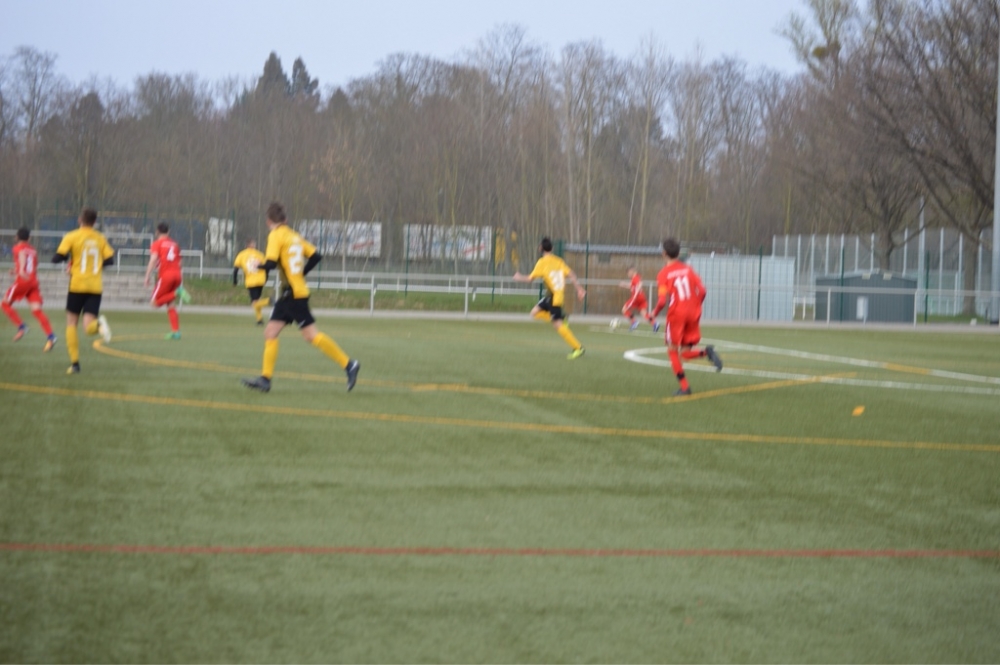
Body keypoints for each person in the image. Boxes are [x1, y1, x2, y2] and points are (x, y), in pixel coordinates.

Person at [241, 201, 360, 393]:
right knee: (270, 332)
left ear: (268, 221)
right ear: (285, 220)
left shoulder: (275, 235)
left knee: (311, 335)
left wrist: (258, 266)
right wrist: (301, 274)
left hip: (294, 295)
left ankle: (349, 364)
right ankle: (265, 379)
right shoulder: (294, 236)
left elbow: (271, 264)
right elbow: (316, 256)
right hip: (290, 293)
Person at [650, 238, 723, 395]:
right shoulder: (688, 269)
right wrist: (696, 305)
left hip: (677, 314)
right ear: (678, 253)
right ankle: (707, 352)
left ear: (664, 253)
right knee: (684, 353)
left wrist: (653, 314)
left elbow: (662, 300)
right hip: (693, 312)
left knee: (672, 351)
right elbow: (702, 291)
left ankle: (685, 387)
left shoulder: (663, 274)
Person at [52, 207, 114, 374]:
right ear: (94, 222)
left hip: (77, 285)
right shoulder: (100, 238)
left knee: (71, 323)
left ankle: (75, 364)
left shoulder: (72, 236)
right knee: (88, 328)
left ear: (80, 220)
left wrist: (67, 261)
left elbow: (58, 257)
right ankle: (98, 324)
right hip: (95, 287)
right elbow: (110, 261)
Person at [512, 237, 587, 359]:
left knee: (557, 325)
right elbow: (572, 274)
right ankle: (562, 318)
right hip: (553, 295)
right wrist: (579, 289)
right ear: (552, 248)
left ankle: (578, 348)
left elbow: (530, 279)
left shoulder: (541, 262)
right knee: (534, 313)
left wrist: (519, 277)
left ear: (540, 248)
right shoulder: (559, 261)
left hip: (555, 298)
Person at [2, 227, 57, 351]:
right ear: (29, 238)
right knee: (37, 310)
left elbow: (22, 256)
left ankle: (22, 327)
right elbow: (33, 266)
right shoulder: (33, 250)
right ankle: (51, 336)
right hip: (33, 282)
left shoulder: (18, 248)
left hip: (23, 281)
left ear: (17, 237)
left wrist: (20, 270)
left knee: (4, 304)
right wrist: (16, 270)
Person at [144, 222, 190, 340]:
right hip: (177, 275)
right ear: (168, 232)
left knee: (154, 303)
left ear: (157, 232)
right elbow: (180, 263)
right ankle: (176, 332)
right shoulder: (175, 244)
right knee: (170, 304)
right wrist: (180, 280)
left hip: (166, 275)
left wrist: (147, 276)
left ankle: (177, 293)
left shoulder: (157, 244)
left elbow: (153, 259)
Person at [232, 238, 271, 325]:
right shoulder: (259, 254)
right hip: (261, 280)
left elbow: (236, 269)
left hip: (251, 281)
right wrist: (266, 278)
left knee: (254, 303)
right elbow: (266, 267)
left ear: (246, 245)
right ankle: (259, 320)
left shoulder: (241, 254)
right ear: (253, 245)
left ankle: (268, 301)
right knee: (257, 301)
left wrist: (235, 280)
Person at [619, 267, 659, 332]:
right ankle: (655, 324)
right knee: (644, 313)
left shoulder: (635, 278)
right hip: (642, 297)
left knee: (624, 309)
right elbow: (632, 286)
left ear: (632, 272)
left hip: (636, 297)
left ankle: (634, 322)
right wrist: (624, 285)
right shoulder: (636, 277)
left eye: (628, 273)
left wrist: (636, 293)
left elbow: (640, 284)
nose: (628, 274)